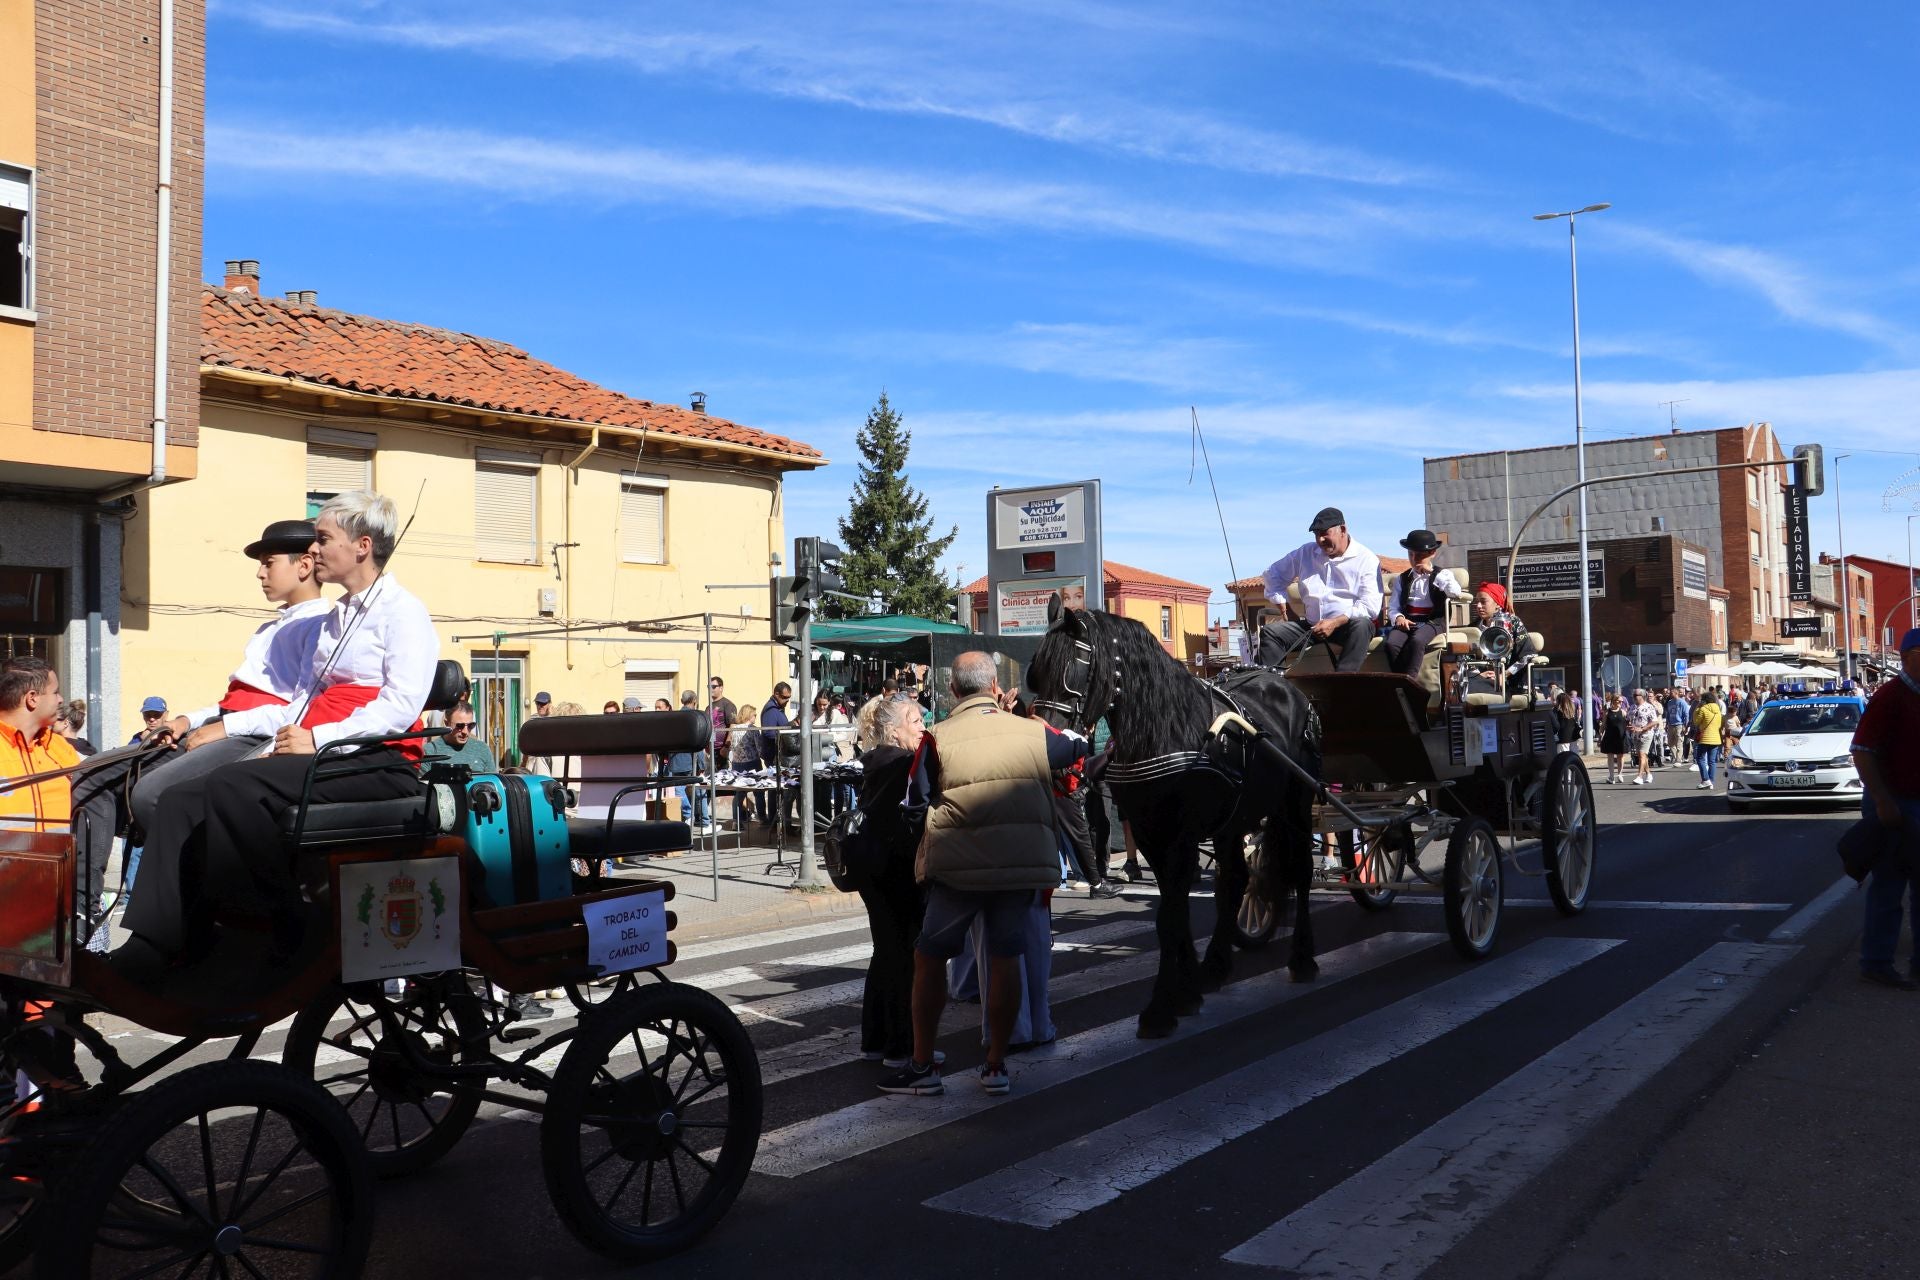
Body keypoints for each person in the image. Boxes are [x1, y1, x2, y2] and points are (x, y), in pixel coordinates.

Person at [115, 490, 440, 976]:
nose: (314, 549)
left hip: (379, 759)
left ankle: (275, 923)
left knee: (230, 785)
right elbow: (302, 701)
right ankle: (162, 939)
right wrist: (262, 738)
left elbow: (400, 706)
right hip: (322, 750)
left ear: (362, 546)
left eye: (323, 539)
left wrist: (319, 739)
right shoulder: (336, 618)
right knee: (182, 799)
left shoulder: (404, 611)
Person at [875, 652, 1088, 1099]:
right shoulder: (1031, 732)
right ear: (995, 687)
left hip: (957, 869)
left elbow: (914, 803)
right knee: (1005, 958)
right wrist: (1031, 719)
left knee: (930, 957)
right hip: (1018, 867)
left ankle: (922, 1066)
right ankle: (995, 1066)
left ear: (953, 691)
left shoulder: (936, 738)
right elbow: (1075, 744)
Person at [124, 520, 332, 838]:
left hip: (253, 736)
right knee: (108, 776)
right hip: (226, 726)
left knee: (150, 795)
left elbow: (299, 710)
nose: (260, 573)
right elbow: (232, 701)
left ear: (304, 565)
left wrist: (223, 728)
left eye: (268, 563)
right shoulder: (270, 628)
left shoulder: (319, 627)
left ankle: (197, 866)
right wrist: (186, 720)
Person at [0, 657, 106, 947]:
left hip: (56, 898)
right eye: (56, 691)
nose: (61, 699)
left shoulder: (61, 749)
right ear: (32, 698)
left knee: (54, 973)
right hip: (7, 899)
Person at [852, 696, 933, 1067]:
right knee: (904, 957)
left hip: (874, 869)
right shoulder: (902, 763)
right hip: (897, 868)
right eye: (914, 721)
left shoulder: (877, 760)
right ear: (894, 730)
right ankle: (902, 1047)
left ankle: (875, 1041)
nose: (922, 727)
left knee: (885, 952)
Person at [1851, 627, 1920, 989]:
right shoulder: (1890, 697)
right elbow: (1862, 752)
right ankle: (1876, 962)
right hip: (1896, 803)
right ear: (1907, 658)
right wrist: (1882, 801)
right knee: (1890, 885)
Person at [1256, 507, 1381, 672]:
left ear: (1343, 530)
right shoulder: (1305, 553)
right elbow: (1273, 575)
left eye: (1324, 533)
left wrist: (1335, 622)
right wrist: (1284, 606)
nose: (1320, 540)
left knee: (1363, 625)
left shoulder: (1366, 559)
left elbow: (1370, 606)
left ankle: (1343, 681)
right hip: (1312, 627)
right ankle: (1271, 684)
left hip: (1347, 627)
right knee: (1271, 632)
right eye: (1316, 535)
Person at [1381, 529, 1466, 676]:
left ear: (1432, 553)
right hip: (1409, 621)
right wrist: (1399, 618)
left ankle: (1410, 679)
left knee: (1417, 640)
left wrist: (1433, 574)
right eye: (1411, 554)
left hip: (1433, 621)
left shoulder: (1442, 574)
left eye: (1419, 555)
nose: (1414, 559)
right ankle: (1400, 678)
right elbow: (1394, 606)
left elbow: (1455, 592)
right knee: (1391, 643)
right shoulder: (1403, 578)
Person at [670, 688, 713, 833]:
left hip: (676, 761)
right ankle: (704, 822)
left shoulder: (674, 718)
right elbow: (698, 744)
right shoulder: (695, 717)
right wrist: (702, 764)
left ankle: (688, 816)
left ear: (682, 701)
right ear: (694, 701)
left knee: (679, 790)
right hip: (690, 761)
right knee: (699, 791)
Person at [422, 700, 497, 772]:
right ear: (446, 723)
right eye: (460, 726)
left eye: (470, 725)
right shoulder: (430, 751)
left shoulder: (482, 749)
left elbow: (492, 779)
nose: (465, 732)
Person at [761, 682, 795, 829]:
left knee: (778, 789)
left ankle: (778, 821)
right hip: (773, 755)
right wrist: (785, 735)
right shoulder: (771, 710)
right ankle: (775, 822)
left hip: (778, 754)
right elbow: (769, 732)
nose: (787, 700)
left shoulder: (779, 708)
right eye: (785, 697)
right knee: (775, 789)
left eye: (789, 698)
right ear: (776, 695)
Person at [1690, 689, 1724, 789]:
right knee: (1712, 761)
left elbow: (1696, 721)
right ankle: (1711, 781)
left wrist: (1697, 708)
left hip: (1704, 738)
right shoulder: (1718, 710)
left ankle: (1705, 780)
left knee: (1700, 758)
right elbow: (1719, 725)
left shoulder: (1703, 709)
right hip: (1716, 738)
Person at [1626, 689, 1661, 785]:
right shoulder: (1632, 707)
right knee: (1642, 756)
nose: (1634, 697)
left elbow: (1655, 721)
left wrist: (1642, 728)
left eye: (1636, 695)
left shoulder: (1649, 707)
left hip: (1646, 734)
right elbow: (1628, 719)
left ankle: (1639, 776)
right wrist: (1629, 726)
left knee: (1642, 754)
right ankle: (1649, 774)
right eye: (1633, 695)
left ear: (1642, 696)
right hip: (1635, 735)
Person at [1599, 692, 1628, 783]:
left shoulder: (1623, 712)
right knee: (1610, 756)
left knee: (1620, 756)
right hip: (1609, 736)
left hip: (1620, 736)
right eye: (1619, 701)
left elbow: (1627, 724)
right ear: (1614, 701)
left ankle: (1620, 774)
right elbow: (1603, 725)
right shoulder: (1607, 712)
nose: (1620, 703)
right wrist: (1600, 735)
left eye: (1622, 701)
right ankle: (1611, 776)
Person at [1664, 688, 1692, 768]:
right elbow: (1668, 714)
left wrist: (1685, 725)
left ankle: (1678, 760)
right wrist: (1667, 724)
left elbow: (1686, 714)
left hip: (1679, 724)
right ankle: (1676, 757)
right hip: (1671, 725)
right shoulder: (1670, 702)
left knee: (1679, 743)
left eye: (1671, 693)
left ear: (1676, 693)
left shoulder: (1682, 702)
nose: (1670, 694)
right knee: (1670, 743)